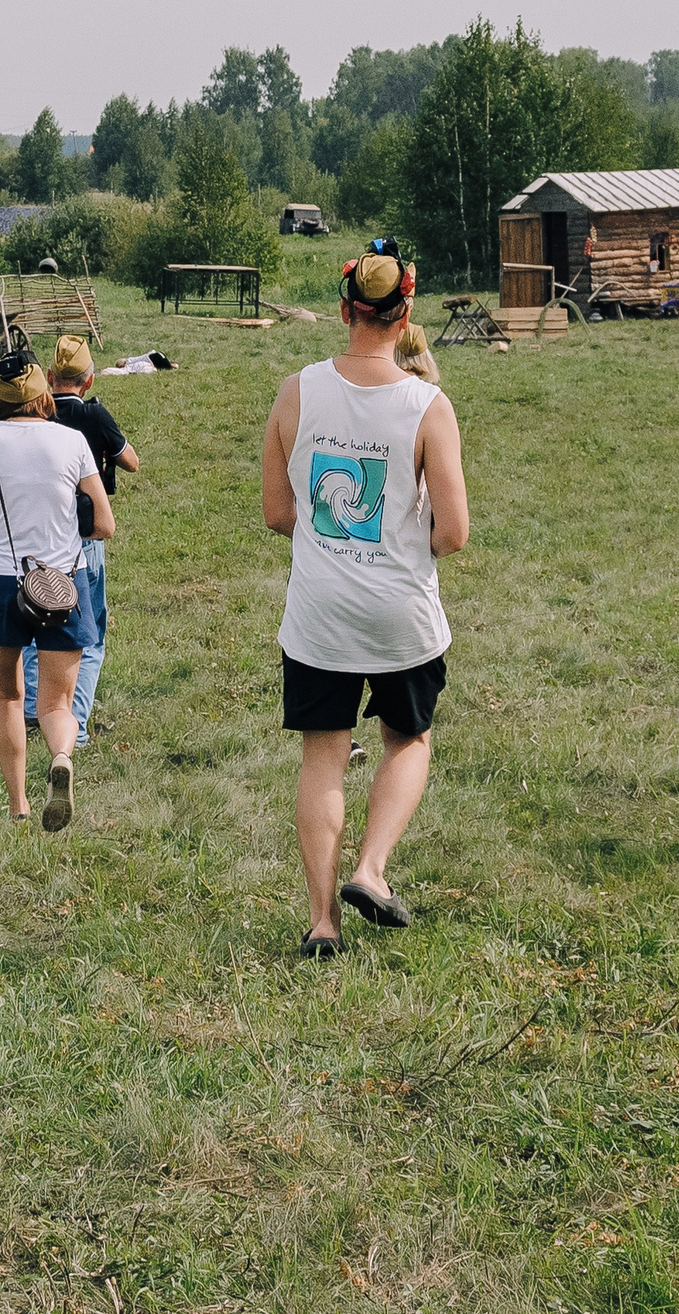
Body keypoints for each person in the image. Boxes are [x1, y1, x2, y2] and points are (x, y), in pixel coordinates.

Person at [262, 242, 468, 960]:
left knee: (323, 755)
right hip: (399, 612)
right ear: (405, 312)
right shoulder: (428, 406)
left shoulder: (296, 390)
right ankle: (371, 869)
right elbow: (455, 532)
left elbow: (277, 511)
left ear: (345, 308)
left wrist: (333, 535)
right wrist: (403, 539)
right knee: (408, 738)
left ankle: (322, 922)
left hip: (319, 613)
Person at [0, 352, 112, 830]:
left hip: (1, 581)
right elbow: (104, 523)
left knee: (6, 695)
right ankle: (62, 756)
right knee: (58, 703)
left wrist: (0, 528)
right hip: (63, 580)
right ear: (42, 393)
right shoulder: (72, 441)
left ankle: (18, 805)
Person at [19, 336, 139, 746]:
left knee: (39, 620)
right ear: (88, 382)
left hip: (41, 533)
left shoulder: (36, 417)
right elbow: (131, 461)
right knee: (89, 635)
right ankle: (76, 723)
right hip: (86, 535)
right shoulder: (94, 414)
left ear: (50, 377)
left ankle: (36, 710)